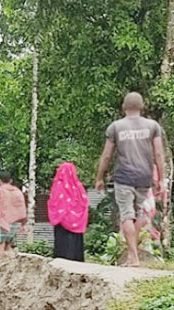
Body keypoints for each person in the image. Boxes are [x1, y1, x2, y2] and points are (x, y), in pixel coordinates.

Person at [95, 92, 166, 267]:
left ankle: (133, 257)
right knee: (139, 214)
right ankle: (132, 255)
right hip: (144, 177)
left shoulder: (116, 127)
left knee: (127, 214)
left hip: (124, 177)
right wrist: (161, 179)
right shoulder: (152, 126)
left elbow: (106, 156)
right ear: (142, 107)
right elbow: (158, 153)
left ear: (124, 107)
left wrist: (99, 177)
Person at [47, 162, 89, 261]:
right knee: (75, 246)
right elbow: (84, 204)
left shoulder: (58, 186)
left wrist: (62, 213)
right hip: (77, 224)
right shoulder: (79, 187)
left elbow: (54, 203)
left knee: (63, 248)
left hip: (61, 222)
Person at [0, 171, 28, 257]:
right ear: (10, 180)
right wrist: (23, 223)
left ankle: (2, 265)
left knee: (0, 245)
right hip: (14, 223)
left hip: (0, 222)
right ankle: (11, 265)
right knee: (8, 245)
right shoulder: (17, 192)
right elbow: (22, 208)